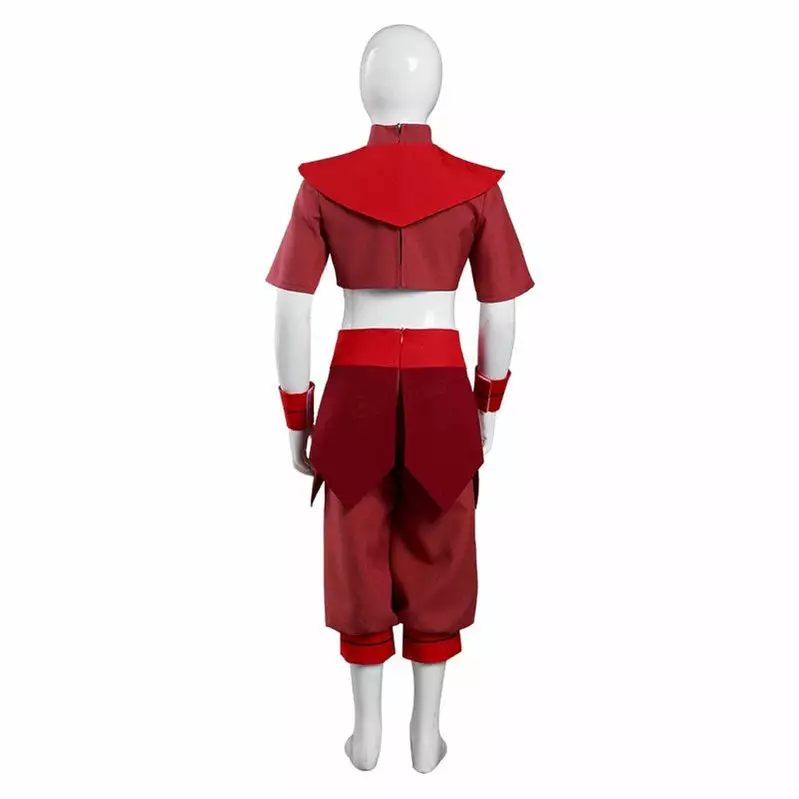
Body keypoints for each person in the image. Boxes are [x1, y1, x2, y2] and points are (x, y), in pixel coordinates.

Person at [266, 23, 534, 773]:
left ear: (366, 89)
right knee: (441, 545)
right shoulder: (477, 189)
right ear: (433, 91)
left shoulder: (322, 186)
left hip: (353, 385)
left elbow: (291, 306)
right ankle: (426, 732)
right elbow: (501, 310)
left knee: (354, 549)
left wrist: (296, 416)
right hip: (442, 383)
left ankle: (365, 733)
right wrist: (486, 406)